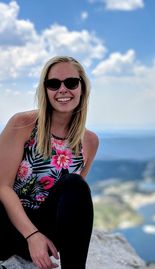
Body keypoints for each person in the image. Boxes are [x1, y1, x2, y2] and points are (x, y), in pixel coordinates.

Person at [0, 56, 99, 269]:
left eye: (71, 82)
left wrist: (41, 234)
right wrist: (32, 235)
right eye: (53, 84)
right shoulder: (23, 124)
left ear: (82, 88)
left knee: (75, 184)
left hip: (48, 231)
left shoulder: (89, 142)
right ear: (45, 90)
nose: (62, 89)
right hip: (7, 225)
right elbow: (2, 187)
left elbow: (72, 202)